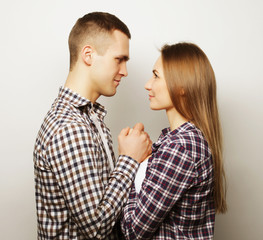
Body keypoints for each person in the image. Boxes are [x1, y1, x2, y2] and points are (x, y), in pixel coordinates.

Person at [33, 12, 152, 240]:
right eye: (119, 59)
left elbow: (107, 201)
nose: (125, 71)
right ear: (88, 55)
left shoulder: (90, 117)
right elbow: (97, 228)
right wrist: (130, 160)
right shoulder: (68, 127)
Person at [121, 42, 227, 239]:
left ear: (182, 87)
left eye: (156, 75)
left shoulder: (181, 148)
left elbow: (133, 231)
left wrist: (128, 161)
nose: (147, 84)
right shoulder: (177, 140)